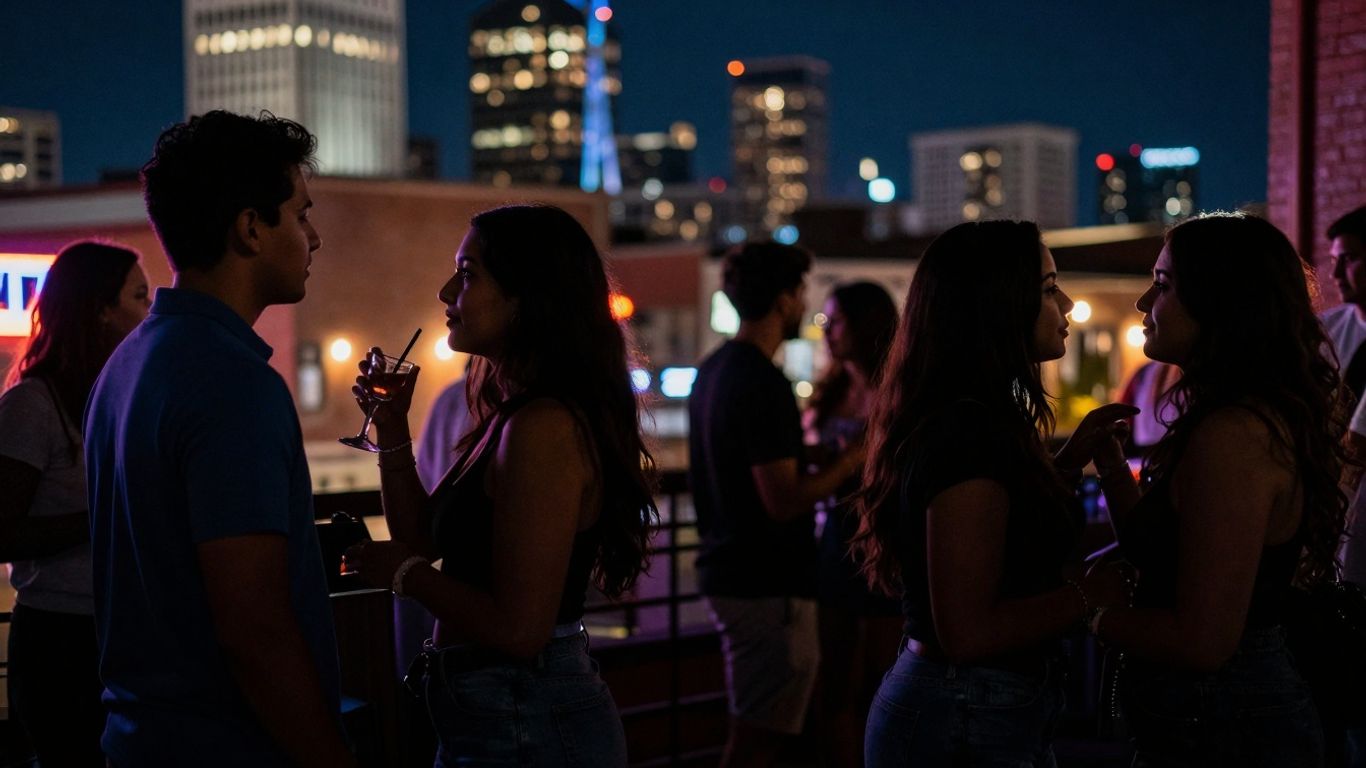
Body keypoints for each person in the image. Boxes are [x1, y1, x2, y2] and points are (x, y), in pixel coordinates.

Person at [339, 204, 655, 767]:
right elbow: (420, 538)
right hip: (500, 714)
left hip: (529, 719)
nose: (446, 292)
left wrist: (405, 575)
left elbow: (520, 630)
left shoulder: (543, 426)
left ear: (526, 296)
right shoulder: (511, 415)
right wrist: (392, 429)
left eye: (467, 274)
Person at [84, 111, 351, 767]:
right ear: (250, 228)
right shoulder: (233, 384)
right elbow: (254, 629)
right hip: (228, 745)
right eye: (301, 215)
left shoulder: (128, 363)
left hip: (137, 738)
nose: (314, 238)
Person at [851, 220, 1133, 766]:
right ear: (998, 306)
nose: (1067, 305)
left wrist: (1067, 463)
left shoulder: (976, 419)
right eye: (1049, 289)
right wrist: (1088, 594)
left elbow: (1005, 530)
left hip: (977, 709)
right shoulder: (969, 432)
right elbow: (968, 631)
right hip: (963, 717)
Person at [1083, 212, 1343, 766]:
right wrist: (1110, 464)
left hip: (1229, 723)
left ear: (1221, 302)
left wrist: (1089, 613)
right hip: (1210, 715)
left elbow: (1203, 640)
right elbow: (1161, 552)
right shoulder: (1225, 417)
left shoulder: (1235, 434)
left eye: (1163, 285)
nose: (1142, 303)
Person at [688, 241, 865, 768]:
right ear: (784, 298)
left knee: (759, 727)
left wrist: (804, 453)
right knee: (760, 739)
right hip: (766, 584)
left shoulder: (714, 369)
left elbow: (741, 457)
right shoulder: (763, 382)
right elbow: (784, 501)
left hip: (728, 571)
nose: (803, 306)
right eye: (800, 293)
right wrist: (852, 459)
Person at [0, 241, 149, 766]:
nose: (150, 310)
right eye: (139, 296)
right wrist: (106, 516)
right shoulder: (31, 405)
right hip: (60, 638)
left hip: (126, 627)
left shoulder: (121, 395)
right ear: (100, 310)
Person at [803, 281, 901, 768]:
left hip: (887, 537)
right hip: (837, 539)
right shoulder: (832, 389)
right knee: (835, 674)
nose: (827, 332)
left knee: (885, 674)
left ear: (865, 325)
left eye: (836, 321)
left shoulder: (898, 390)